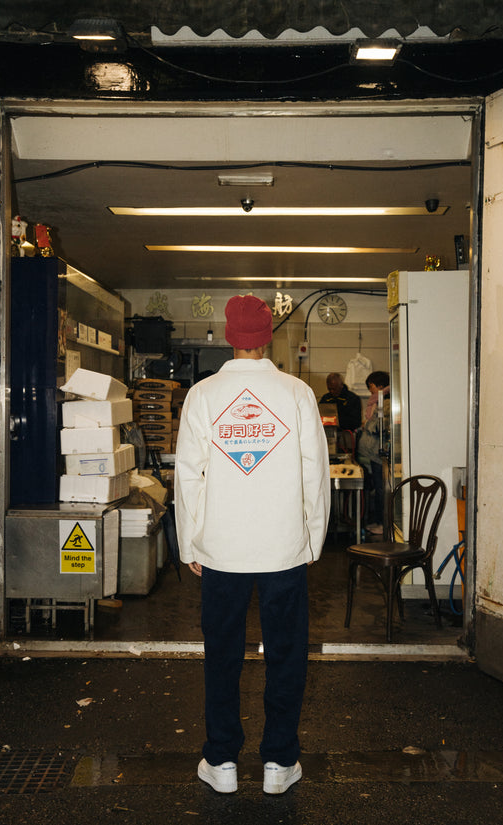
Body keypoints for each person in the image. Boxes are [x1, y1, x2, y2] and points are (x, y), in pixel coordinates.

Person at [174, 294, 331, 795]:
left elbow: (187, 479)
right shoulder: (296, 394)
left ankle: (221, 761)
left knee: (222, 655)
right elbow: (316, 474)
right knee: (286, 655)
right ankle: (279, 764)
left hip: (221, 549)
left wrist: (189, 543)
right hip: (284, 547)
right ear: (267, 337)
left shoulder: (203, 396)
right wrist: (314, 537)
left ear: (228, 336)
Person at [356, 370, 390, 534]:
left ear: (381, 386)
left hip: (379, 453)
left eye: (371, 387)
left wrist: (367, 425)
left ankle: (383, 524)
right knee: (377, 487)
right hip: (374, 452)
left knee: (381, 488)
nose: (370, 391)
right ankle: (379, 522)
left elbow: (381, 425)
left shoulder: (387, 402)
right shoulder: (377, 401)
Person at [319, 372, 362, 453]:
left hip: (347, 438)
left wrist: (338, 421)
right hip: (329, 437)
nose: (331, 391)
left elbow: (356, 422)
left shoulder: (352, 398)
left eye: (334, 389)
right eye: (329, 389)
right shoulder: (326, 398)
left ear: (341, 385)